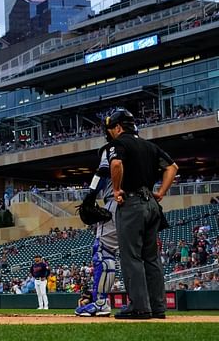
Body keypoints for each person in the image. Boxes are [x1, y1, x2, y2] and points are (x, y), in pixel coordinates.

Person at [107, 108, 177, 320]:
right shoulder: (150, 146)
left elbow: (116, 163)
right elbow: (172, 167)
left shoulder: (120, 143)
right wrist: (162, 192)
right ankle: (157, 307)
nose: (110, 132)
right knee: (151, 258)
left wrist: (117, 189)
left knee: (132, 257)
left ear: (119, 127)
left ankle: (139, 307)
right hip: (152, 204)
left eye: (112, 128)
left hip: (132, 203)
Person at [75, 142, 118, 317]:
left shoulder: (114, 147)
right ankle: (149, 303)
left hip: (118, 201)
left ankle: (100, 303)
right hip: (146, 205)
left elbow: (103, 171)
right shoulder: (147, 148)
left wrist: (90, 195)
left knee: (103, 252)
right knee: (141, 257)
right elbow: (171, 167)